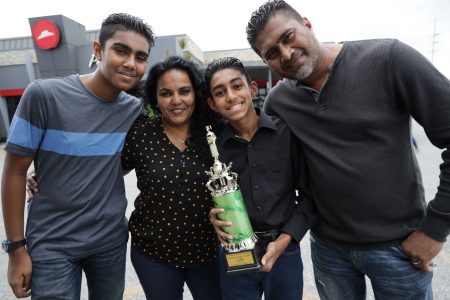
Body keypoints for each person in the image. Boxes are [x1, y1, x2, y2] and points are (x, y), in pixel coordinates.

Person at [245, 0, 450, 299]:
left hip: (400, 248)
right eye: (272, 53)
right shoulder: (279, 103)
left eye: (288, 37)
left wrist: (435, 228)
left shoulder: (389, 58)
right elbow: (271, 172)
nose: (286, 54)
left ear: (306, 23)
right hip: (329, 252)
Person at [2, 13, 154, 299]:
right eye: (121, 50)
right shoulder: (43, 96)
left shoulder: (135, 110)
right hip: (52, 244)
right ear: (98, 50)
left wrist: (57, 169)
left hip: (110, 242)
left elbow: (115, 162)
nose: (131, 63)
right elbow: (13, 172)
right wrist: (16, 249)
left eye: (140, 56)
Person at [205, 57, 316, 300]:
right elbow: (208, 198)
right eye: (220, 92)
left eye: (237, 86)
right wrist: (212, 217)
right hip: (235, 252)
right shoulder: (213, 149)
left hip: (284, 249)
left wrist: (285, 241)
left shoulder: (287, 134)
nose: (231, 96)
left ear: (252, 89)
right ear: (212, 104)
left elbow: (309, 198)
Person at [121, 56, 223, 300]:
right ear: (155, 98)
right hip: (153, 253)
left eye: (184, 91)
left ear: (196, 94)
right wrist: (46, 171)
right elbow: (109, 169)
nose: (176, 101)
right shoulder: (141, 133)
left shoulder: (215, 132)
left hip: (208, 251)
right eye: (166, 93)